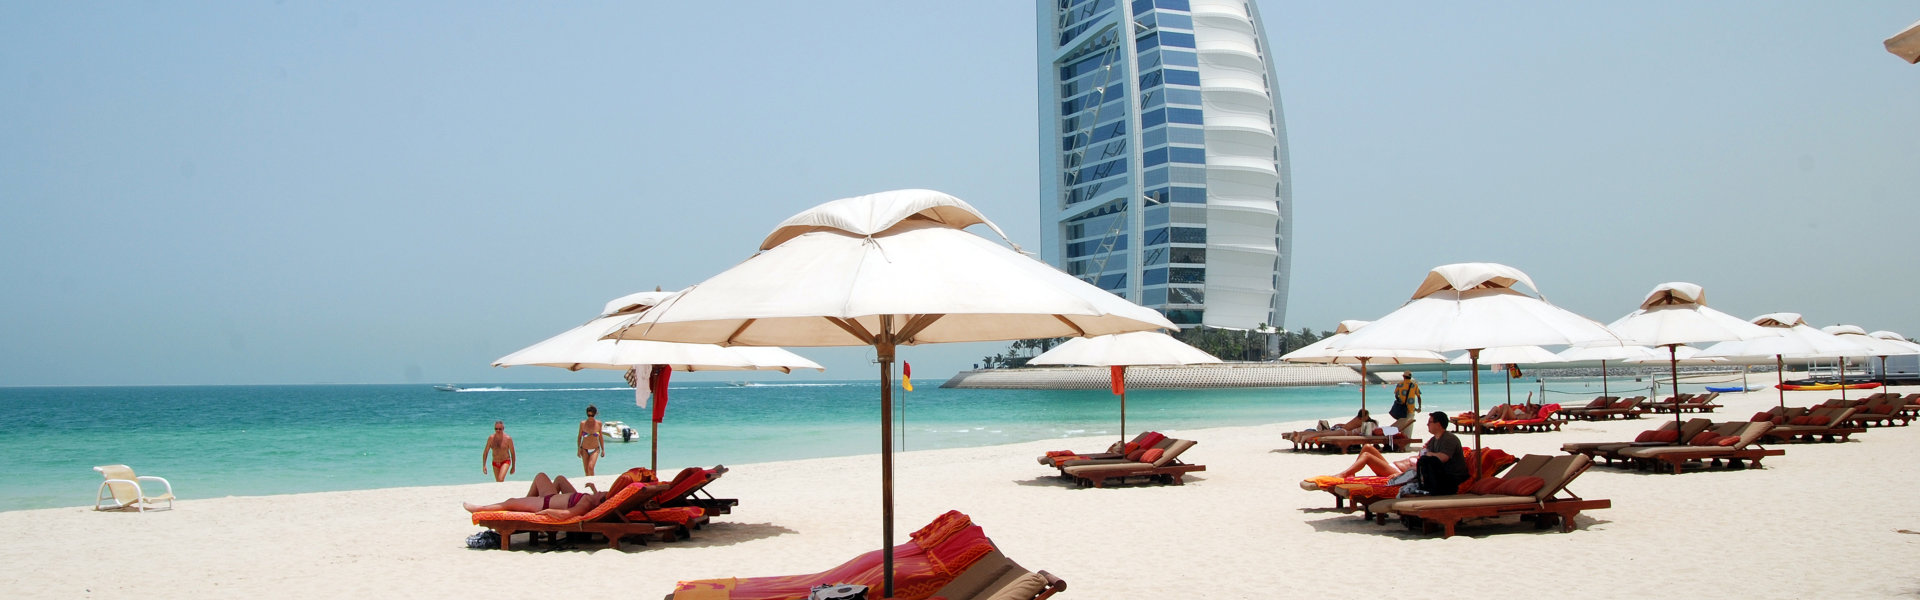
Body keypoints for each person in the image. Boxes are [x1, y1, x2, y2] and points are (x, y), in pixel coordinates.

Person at [1412, 411, 1470, 496]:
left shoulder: (1449, 439)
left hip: (1453, 476)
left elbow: (1443, 458)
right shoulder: (1433, 440)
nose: (1427, 425)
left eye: (1430, 422)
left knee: (1429, 460)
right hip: (1441, 475)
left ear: (1438, 424)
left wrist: (1429, 454)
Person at [578, 404, 605, 476]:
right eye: (588, 415)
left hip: (595, 449)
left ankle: (593, 482)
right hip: (584, 449)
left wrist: (603, 449)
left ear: (595, 414)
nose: (590, 417)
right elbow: (579, 437)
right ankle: (588, 485)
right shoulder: (582, 423)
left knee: (590, 467)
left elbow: (601, 437)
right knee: (586, 471)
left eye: (592, 416)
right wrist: (578, 449)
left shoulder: (599, 423)